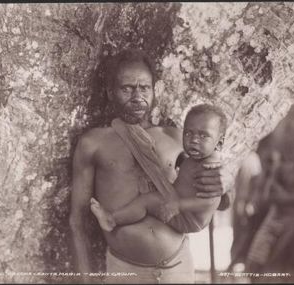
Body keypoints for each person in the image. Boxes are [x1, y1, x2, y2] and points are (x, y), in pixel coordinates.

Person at [69, 49, 232, 284]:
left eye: (144, 88)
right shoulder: (94, 143)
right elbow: (77, 221)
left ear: (154, 91)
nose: (137, 96)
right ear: (110, 92)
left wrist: (227, 183)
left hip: (178, 267)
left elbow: (220, 200)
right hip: (125, 271)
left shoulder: (177, 138)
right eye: (127, 88)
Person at [90, 104, 227, 233]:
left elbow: (208, 201)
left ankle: (111, 220)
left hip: (188, 218)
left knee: (146, 201)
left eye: (203, 136)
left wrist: (179, 205)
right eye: (188, 133)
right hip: (178, 202)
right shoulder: (199, 156)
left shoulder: (210, 168)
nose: (194, 140)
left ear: (219, 143)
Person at [245, 136, 294, 282]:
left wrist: (286, 197)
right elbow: (269, 195)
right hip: (273, 220)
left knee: (282, 269)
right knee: (253, 264)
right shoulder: (283, 169)